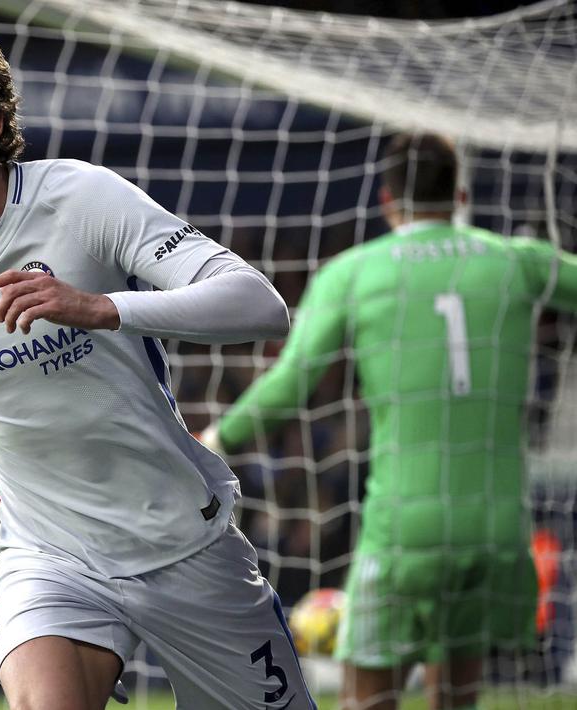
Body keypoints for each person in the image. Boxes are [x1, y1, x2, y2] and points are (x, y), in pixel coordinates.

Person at [0, 23, 314, 710]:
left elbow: (260, 305)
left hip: (180, 541)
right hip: (49, 552)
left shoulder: (79, 199)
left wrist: (103, 307)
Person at [200, 133, 577, 710]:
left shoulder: (354, 272)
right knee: (457, 700)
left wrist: (216, 439)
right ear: (460, 194)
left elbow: (291, 384)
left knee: (367, 702)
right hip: (497, 531)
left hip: (405, 532)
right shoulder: (520, 262)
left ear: (386, 198)